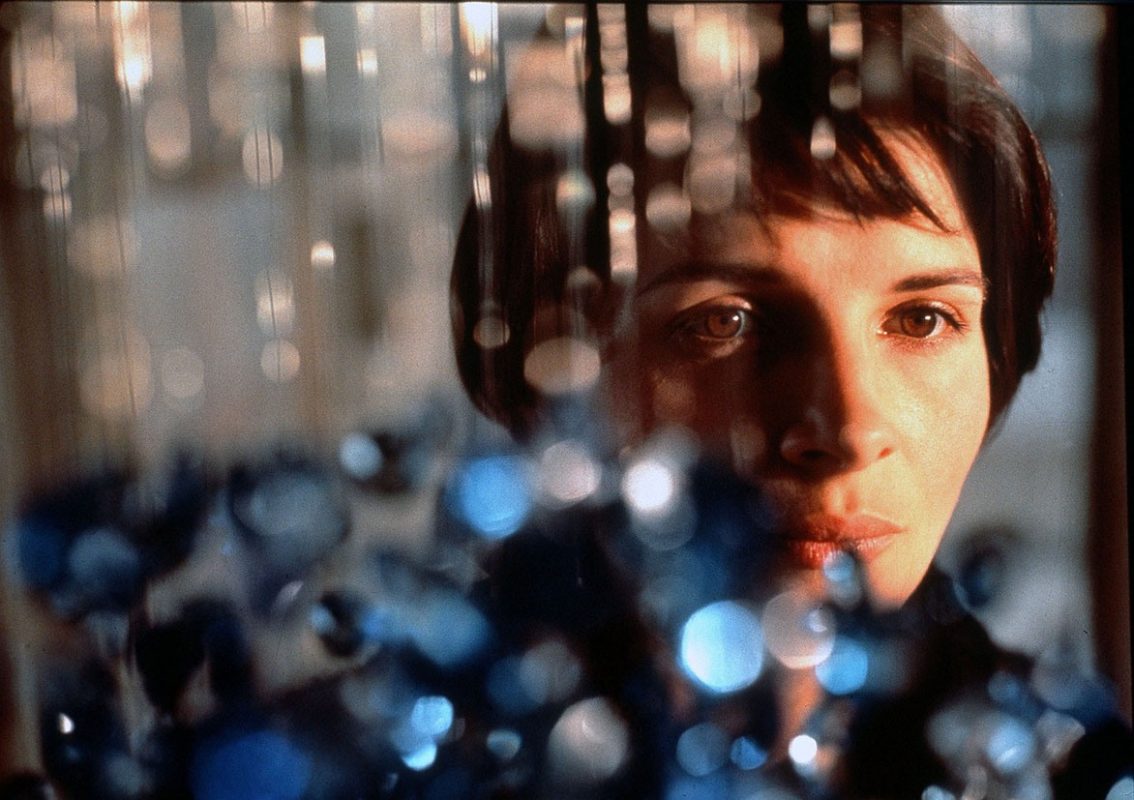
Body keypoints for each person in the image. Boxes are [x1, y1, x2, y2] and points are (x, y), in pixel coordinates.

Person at [451, 5, 1131, 797]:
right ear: (550, 374)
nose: (845, 427)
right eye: (725, 323)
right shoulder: (409, 759)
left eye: (922, 319)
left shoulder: (1082, 771)